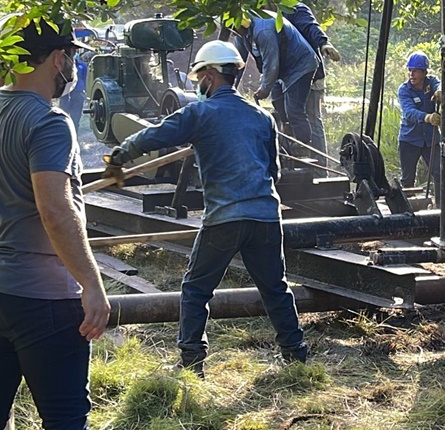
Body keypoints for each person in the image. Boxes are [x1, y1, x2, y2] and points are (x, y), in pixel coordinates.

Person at [103, 40, 308, 378]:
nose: (198, 82)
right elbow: (275, 172)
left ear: (210, 76)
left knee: (196, 290)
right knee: (275, 288)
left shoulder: (199, 113)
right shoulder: (263, 117)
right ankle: (296, 357)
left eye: (199, 75)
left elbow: (155, 136)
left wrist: (119, 156)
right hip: (266, 216)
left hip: (225, 217)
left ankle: (191, 363)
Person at [0, 18, 110, 428]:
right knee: (64, 418)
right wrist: (92, 283)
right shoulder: (49, 121)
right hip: (44, 297)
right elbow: (56, 212)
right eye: (74, 59)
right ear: (59, 58)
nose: (74, 70)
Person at [234, 15, 319, 146]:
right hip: (283, 69)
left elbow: (271, 63)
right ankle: (288, 140)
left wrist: (264, 88)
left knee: (294, 110)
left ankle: (303, 148)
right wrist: (229, 89)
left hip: (300, 65)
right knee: (277, 102)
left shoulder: (263, 31)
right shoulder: (242, 34)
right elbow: (238, 62)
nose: (233, 33)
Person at [283, 3, 341, 177]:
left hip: (311, 73)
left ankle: (320, 169)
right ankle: (295, 163)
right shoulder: (262, 17)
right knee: (287, 116)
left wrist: (324, 43)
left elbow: (310, 26)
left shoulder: (293, 9)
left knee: (312, 118)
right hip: (287, 76)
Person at [397, 50, 442, 192]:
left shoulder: (431, 82)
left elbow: (439, 85)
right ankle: (407, 210)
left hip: (430, 140)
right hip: (409, 140)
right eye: (410, 71)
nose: (411, 74)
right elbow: (409, 112)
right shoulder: (404, 90)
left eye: (415, 71)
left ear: (424, 72)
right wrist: (427, 117)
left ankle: (441, 207)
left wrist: (440, 91)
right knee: (408, 179)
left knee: (440, 174)